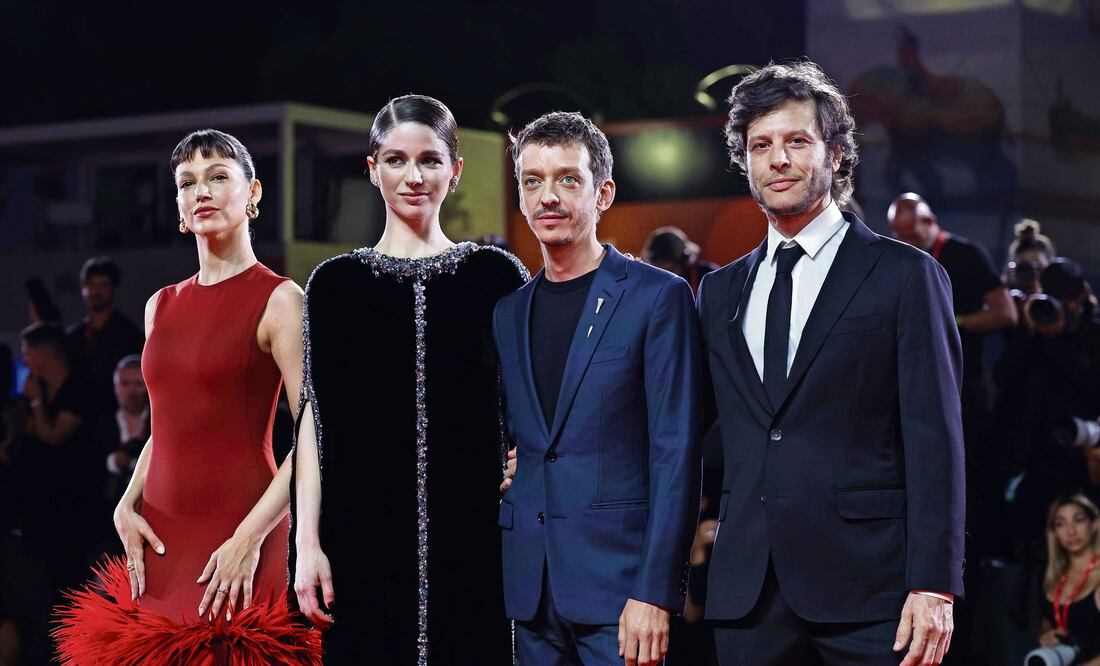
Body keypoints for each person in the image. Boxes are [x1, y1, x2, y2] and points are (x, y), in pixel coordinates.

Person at [696, 61, 965, 665]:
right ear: (745, 161)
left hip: (873, 591)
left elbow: (936, 438)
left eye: (797, 141)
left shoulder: (905, 276)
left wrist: (934, 583)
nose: (778, 160)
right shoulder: (719, 293)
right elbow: (679, 424)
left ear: (837, 155)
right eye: (760, 145)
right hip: (748, 592)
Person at [54, 129, 319, 663]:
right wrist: (127, 500)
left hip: (243, 526)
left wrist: (249, 537)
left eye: (219, 177)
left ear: (254, 193)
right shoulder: (161, 305)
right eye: (187, 182)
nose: (202, 191)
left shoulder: (280, 299)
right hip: (159, 535)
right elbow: (169, 426)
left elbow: (316, 428)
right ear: (178, 205)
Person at [291, 94, 528, 665]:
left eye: (430, 160)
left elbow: (531, 401)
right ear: (372, 169)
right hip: (361, 539)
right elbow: (313, 423)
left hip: (477, 537)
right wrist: (306, 544)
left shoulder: (496, 276)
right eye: (395, 160)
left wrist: (529, 456)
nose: (413, 176)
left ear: (456, 169)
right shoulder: (335, 286)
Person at [493, 111, 702, 666]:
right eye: (533, 181)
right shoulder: (508, 313)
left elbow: (676, 453)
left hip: (621, 589)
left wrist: (657, 592)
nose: (548, 197)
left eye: (568, 178)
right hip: (530, 590)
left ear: (603, 192)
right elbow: (522, 432)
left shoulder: (658, 297)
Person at [65, 256, 144, 414]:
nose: (96, 291)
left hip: (115, 417)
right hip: (77, 417)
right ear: (83, 288)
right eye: (91, 285)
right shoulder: (73, 336)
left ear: (114, 289)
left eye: (104, 285)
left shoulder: (129, 334)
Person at [1036, 494, 1100, 664]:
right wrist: (1045, 636)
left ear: (1094, 524)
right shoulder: (1054, 576)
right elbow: (1046, 622)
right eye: (1060, 524)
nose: (1071, 531)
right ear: (1054, 532)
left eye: (1078, 520)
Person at [96, 354, 149, 525]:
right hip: (102, 517)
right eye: (125, 384)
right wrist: (113, 462)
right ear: (115, 386)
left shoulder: (160, 424)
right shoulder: (99, 423)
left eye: (139, 384)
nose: (132, 392)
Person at [640, 226, 718, 295]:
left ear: (684, 261)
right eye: (659, 270)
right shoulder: (649, 282)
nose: (667, 276)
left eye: (670, 270)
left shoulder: (711, 277)